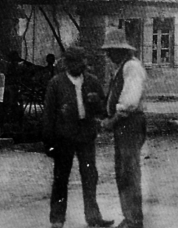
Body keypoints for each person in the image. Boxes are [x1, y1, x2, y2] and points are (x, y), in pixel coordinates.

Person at [43, 46, 113, 228]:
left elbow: (104, 109)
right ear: (67, 63)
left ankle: (93, 217)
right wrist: (48, 142)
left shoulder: (92, 82)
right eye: (74, 61)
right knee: (61, 178)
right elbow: (49, 115)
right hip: (64, 137)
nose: (78, 65)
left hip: (86, 135)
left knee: (90, 175)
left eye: (81, 61)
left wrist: (96, 101)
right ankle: (57, 220)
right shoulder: (56, 83)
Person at [100, 29, 147, 228]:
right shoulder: (122, 68)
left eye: (111, 50)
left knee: (129, 171)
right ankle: (129, 216)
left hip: (130, 123)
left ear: (121, 50)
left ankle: (134, 220)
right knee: (123, 171)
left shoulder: (132, 67)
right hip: (125, 124)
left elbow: (129, 102)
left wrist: (112, 120)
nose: (108, 55)